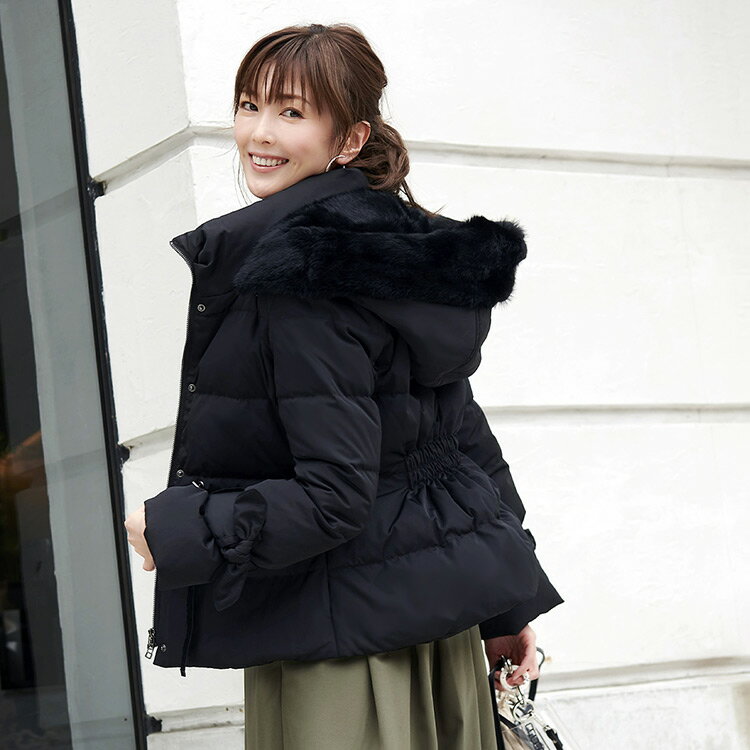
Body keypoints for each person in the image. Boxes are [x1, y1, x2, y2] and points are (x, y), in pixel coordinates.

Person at [124, 22, 564, 750]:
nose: (260, 133)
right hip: (434, 633)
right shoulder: (405, 250)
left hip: (340, 647)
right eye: (249, 105)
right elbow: (458, 442)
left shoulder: (302, 276)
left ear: (351, 139)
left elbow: (334, 497)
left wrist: (179, 527)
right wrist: (505, 610)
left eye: (292, 112)